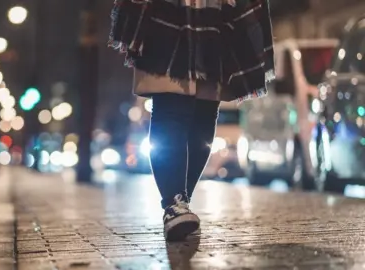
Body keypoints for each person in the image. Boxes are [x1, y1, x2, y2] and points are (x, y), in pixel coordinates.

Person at [109, 0, 275, 241]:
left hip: (215, 12)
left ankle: (180, 200)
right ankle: (173, 202)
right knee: (170, 106)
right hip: (170, 11)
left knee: (204, 114)